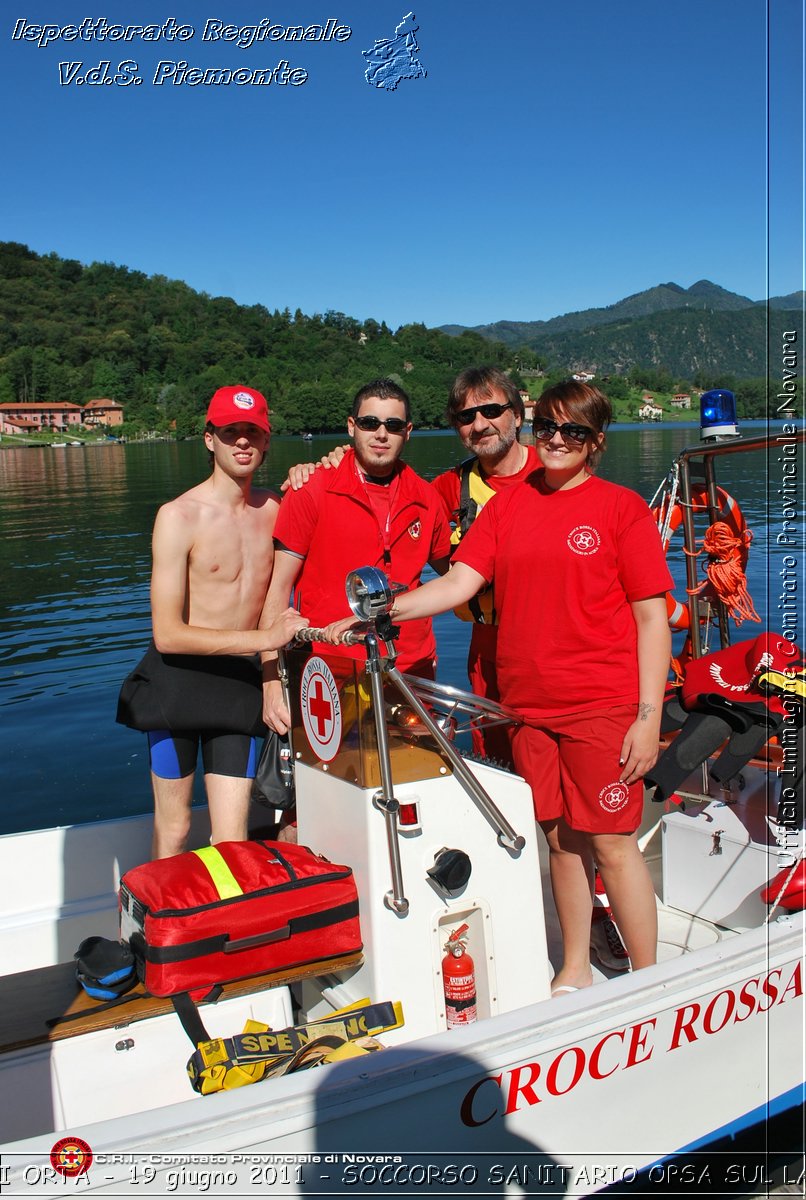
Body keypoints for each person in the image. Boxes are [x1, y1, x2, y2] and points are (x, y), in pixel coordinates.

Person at [325, 380, 672, 989]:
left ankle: (648, 980)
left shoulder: (620, 508)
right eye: (549, 429)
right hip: (528, 706)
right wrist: (381, 613)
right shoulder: (508, 507)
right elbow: (459, 583)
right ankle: (574, 967)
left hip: (602, 704)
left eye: (575, 432)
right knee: (561, 843)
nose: (558, 441)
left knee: (614, 844)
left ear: (596, 443)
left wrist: (647, 717)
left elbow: (652, 618)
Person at [140, 385, 307, 858]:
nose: (242, 442)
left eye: (252, 432)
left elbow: (331, 487)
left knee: (231, 840)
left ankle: (224, 928)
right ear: (209, 439)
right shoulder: (178, 516)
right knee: (174, 830)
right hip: (177, 685)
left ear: (267, 441)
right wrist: (266, 639)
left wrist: (317, 464)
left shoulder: (277, 511)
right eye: (230, 431)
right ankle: (157, 932)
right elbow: (167, 634)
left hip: (237, 687)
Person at [259, 378, 452, 738]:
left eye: (393, 425)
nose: (381, 434)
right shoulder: (311, 490)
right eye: (369, 423)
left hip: (410, 668)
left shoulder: (427, 498)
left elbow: (458, 576)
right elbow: (276, 594)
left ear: (407, 432)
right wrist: (271, 680)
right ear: (351, 426)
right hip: (329, 672)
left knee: (414, 782)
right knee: (335, 786)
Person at [431, 367, 540, 766]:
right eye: (465, 417)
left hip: (554, 645)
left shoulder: (558, 474)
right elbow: (384, 502)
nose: (479, 424)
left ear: (518, 415)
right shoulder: (446, 489)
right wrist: (326, 463)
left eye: (492, 410)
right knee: (497, 763)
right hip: (487, 647)